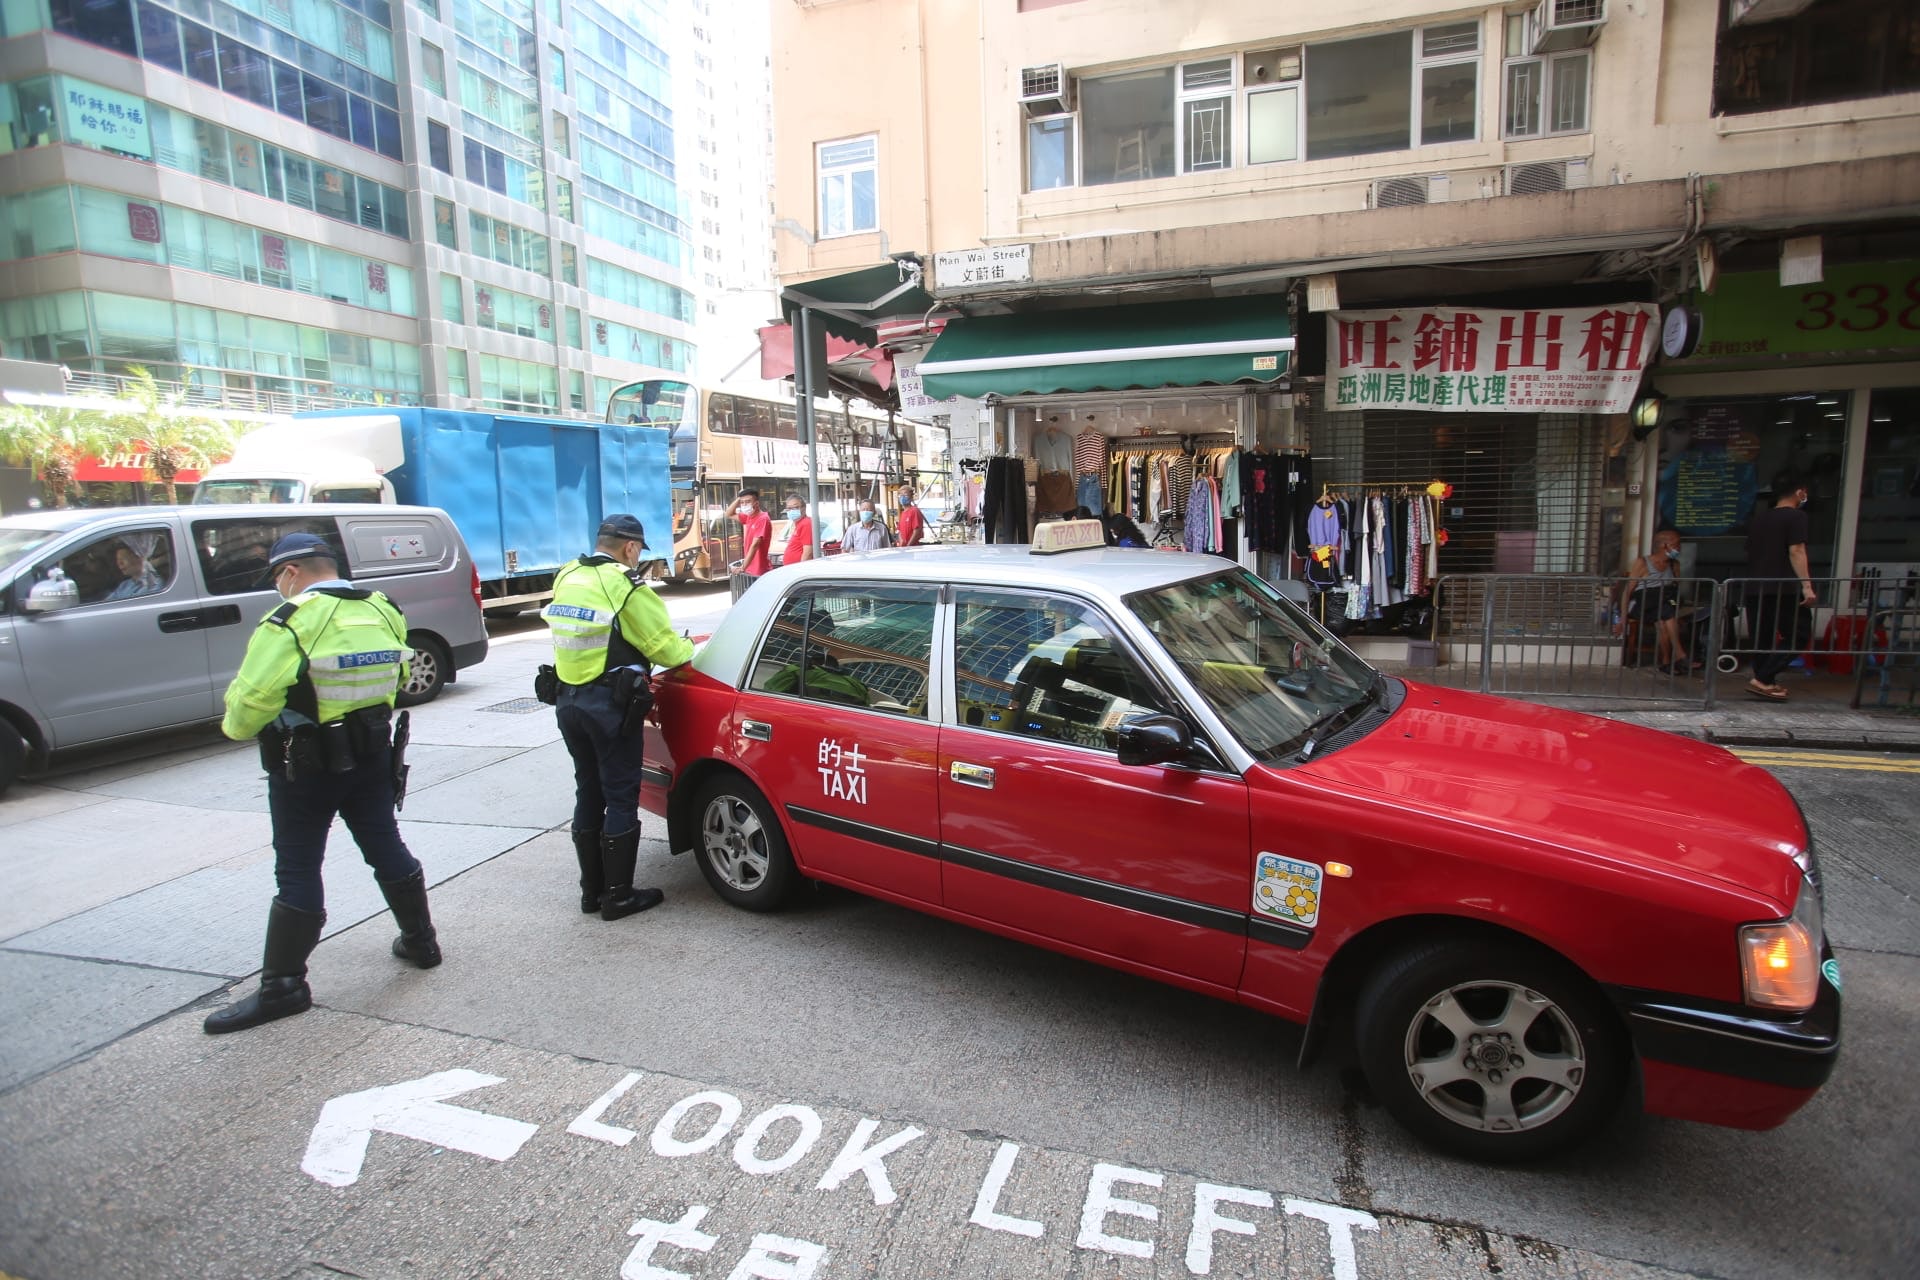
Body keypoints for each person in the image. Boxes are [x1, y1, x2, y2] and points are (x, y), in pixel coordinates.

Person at [204, 533, 436, 1034]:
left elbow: (251, 704)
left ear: (289, 574)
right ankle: (421, 941)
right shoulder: (384, 610)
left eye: (277, 580)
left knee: (298, 864)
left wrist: (238, 727)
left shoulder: (289, 622)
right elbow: (396, 681)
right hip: (373, 754)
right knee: (383, 842)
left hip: (305, 765)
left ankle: (283, 987)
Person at [542, 514, 695, 919]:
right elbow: (665, 648)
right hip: (608, 707)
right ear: (630, 548)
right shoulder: (624, 585)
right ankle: (620, 897)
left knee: (587, 791)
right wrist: (690, 649)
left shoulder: (567, 574)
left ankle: (591, 894)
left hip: (567, 701)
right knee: (621, 795)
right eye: (637, 552)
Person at [1744, 472, 1818, 701]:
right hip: (1782, 586)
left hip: (1756, 585)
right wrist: (1807, 586)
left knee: (1762, 637)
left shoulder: (1759, 519)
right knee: (1799, 631)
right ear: (1799, 492)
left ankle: (1766, 682)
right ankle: (1764, 678)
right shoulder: (1796, 517)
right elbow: (1796, 550)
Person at [1615, 528, 1694, 675]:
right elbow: (1628, 592)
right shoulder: (1643, 563)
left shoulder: (1674, 565)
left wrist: (1676, 607)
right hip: (1643, 604)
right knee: (1666, 612)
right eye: (1676, 545)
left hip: (1666, 603)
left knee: (1665, 618)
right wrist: (1623, 618)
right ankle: (1679, 655)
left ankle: (1666, 663)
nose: (1679, 548)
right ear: (1664, 545)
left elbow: (1675, 591)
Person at [731, 489, 772, 579]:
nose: (744, 505)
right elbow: (729, 514)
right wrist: (739, 499)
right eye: (742, 502)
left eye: (748, 501)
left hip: (759, 570)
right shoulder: (748, 517)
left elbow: (755, 545)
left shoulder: (762, 519)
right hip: (750, 569)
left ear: (756, 503)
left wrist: (742, 568)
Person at [781, 493, 815, 565]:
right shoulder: (798, 524)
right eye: (789, 508)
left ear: (804, 508)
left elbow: (808, 553)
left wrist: (800, 571)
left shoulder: (806, 523)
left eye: (795, 507)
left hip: (798, 571)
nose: (791, 511)